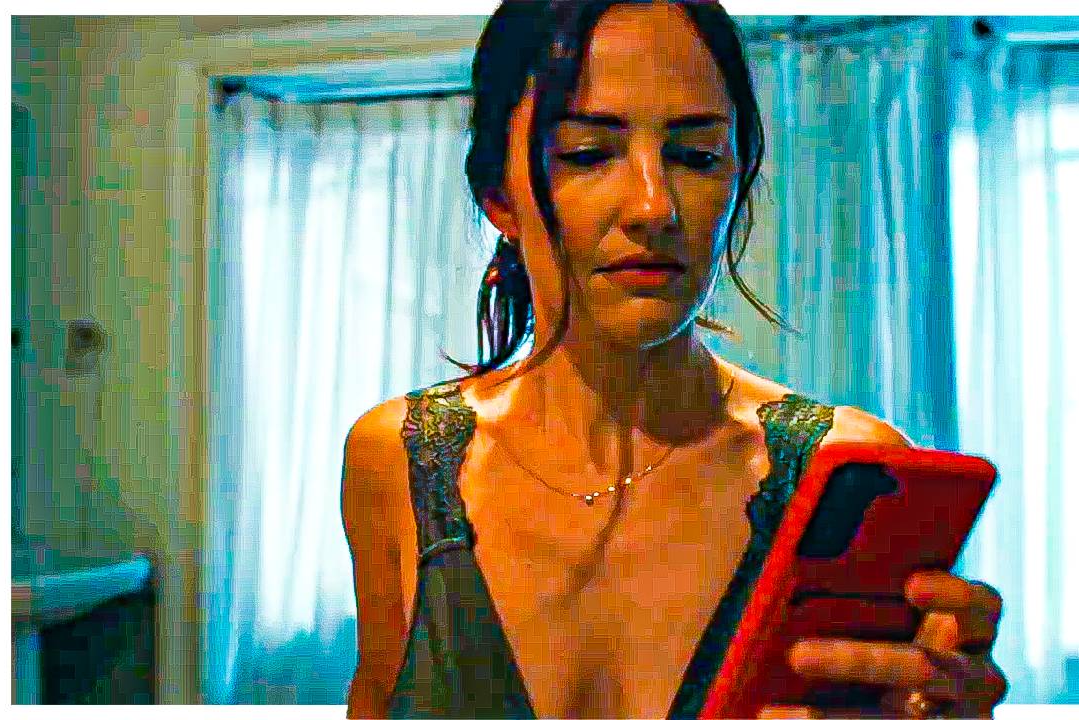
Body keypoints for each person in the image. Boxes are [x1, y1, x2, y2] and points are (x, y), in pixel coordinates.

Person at [340, 1, 1007, 718]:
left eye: (696, 157)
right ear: (500, 198)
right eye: (588, 154)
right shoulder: (399, 462)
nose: (655, 207)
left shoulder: (844, 470)